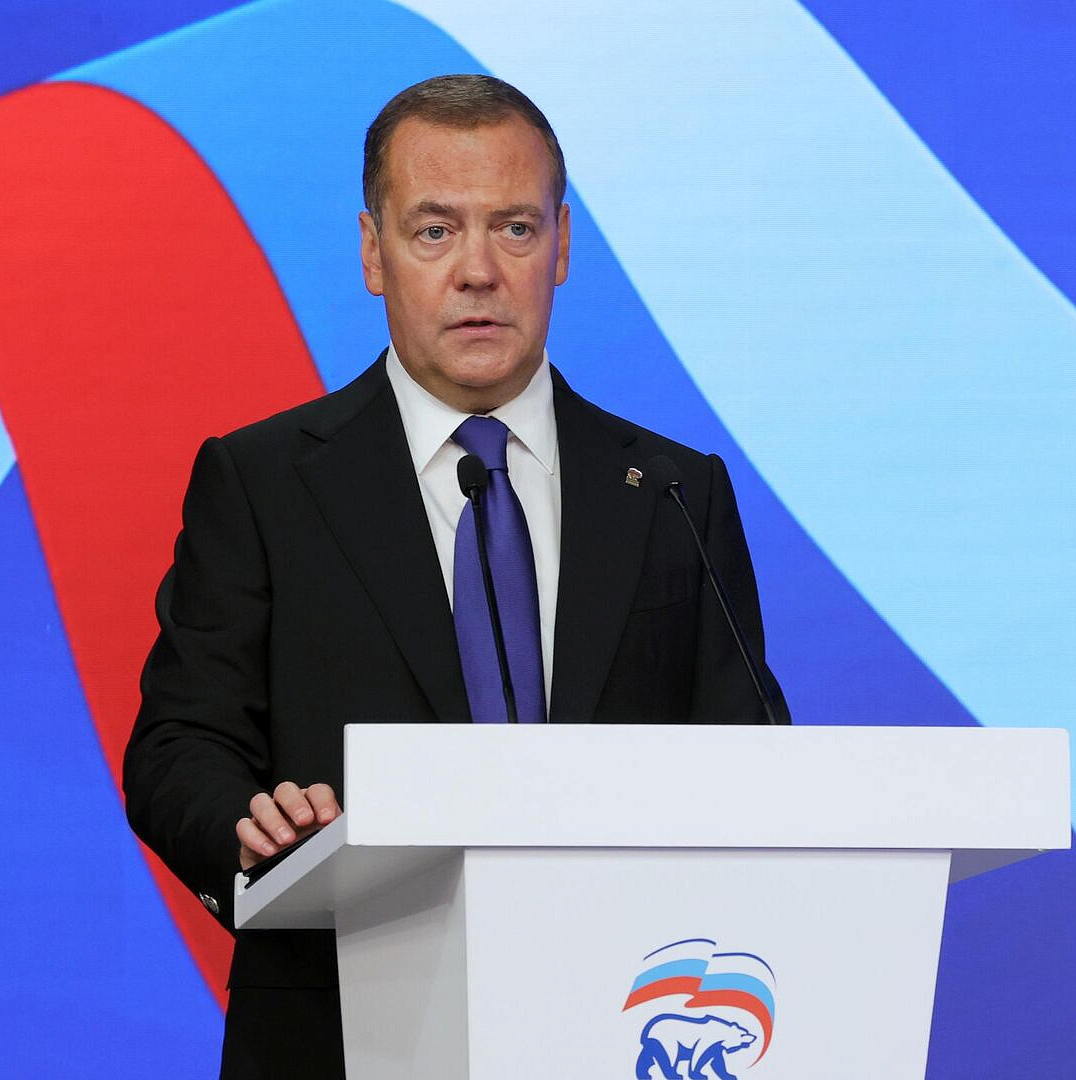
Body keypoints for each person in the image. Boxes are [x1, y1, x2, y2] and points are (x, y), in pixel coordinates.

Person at [124, 74, 788, 1080]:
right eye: (434, 231)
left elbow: (751, 759)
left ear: (561, 248)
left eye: (514, 229)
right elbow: (178, 746)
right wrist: (250, 830)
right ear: (372, 253)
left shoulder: (673, 492)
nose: (478, 271)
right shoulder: (262, 482)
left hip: (621, 1023)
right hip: (340, 1032)